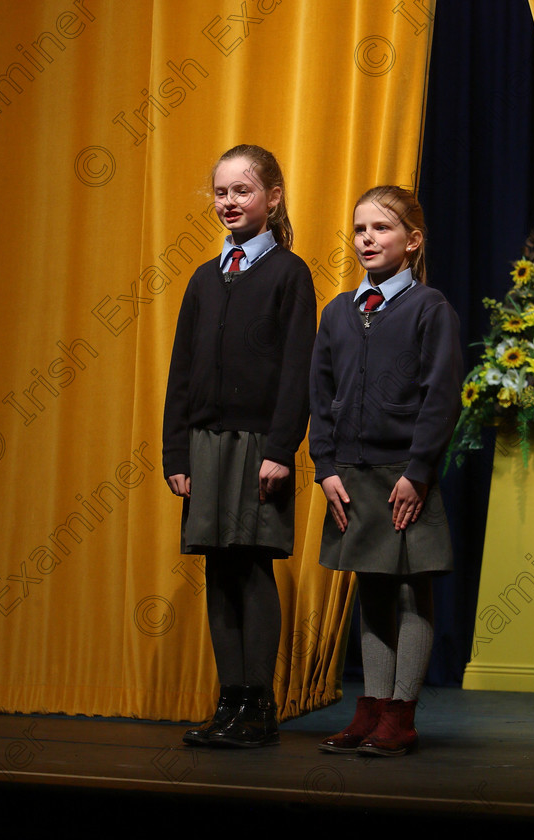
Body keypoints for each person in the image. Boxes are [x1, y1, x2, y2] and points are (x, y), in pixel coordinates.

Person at [163, 144, 316, 748]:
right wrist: (177, 453)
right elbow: (180, 373)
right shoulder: (203, 278)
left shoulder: (289, 273)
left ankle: (258, 705)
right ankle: (228, 701)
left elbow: (297, 369)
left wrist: (281, 447)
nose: (229, 202)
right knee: (218, 570)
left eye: (242, 191)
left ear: (272, 198)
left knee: (251, 567)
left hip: (259, 446)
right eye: (221, 192)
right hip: (205, 444)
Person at [309, 185, 463, 757]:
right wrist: (325, 467)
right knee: (370, 586)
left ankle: (401, 714)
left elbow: (441, 395)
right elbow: (320, 394)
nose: (367, 239)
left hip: (403, 472)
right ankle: (371, 707)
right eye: (359, 230)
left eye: (381, 228)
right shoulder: (339, 313)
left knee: (407, 589)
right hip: (351, 472)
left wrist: (418, 470)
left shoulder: (429, 308)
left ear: (412, 240)